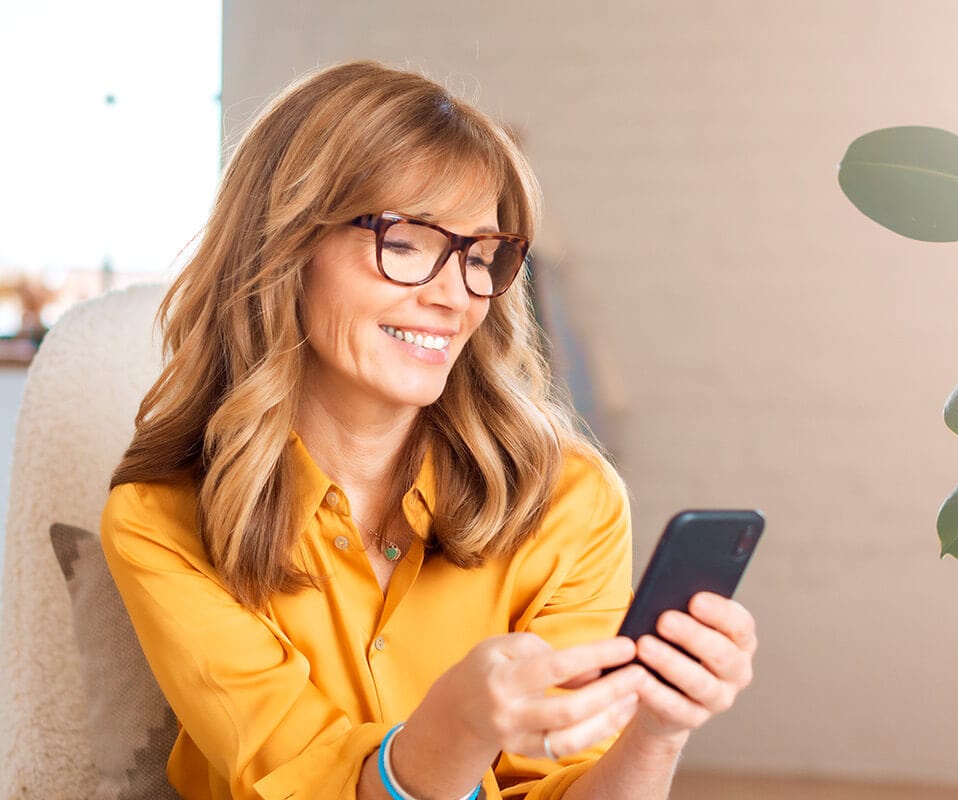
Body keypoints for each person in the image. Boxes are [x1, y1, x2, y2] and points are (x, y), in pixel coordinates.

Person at [100, 60, 757, 800]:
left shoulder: (570, 499)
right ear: (282, 250)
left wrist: (658, 731)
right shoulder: (161, 518)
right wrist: (455, 730)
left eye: (479, 256)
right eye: (406, 242)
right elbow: (296, 779)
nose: (454, 296)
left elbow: (567, 781)